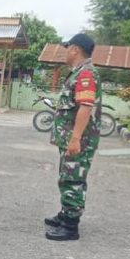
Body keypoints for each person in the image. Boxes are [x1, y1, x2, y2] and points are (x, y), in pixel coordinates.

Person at [45, 33, 102, 241]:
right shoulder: (79, 72)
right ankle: (65, 214)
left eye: (67, 47)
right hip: (72, 138)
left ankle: (70, 226)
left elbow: (85, 107)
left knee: (73, 179)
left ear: (75, 49)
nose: (65, 51)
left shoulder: (85, 74)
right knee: (67, 176)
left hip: (80, 140)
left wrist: (76, 138)